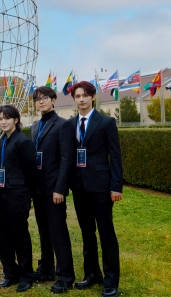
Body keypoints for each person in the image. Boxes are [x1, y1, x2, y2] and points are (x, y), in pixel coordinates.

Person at [69, 81, 123, 297]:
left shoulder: (106, 122)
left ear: (92, 97)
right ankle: (92, 274)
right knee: (87, 232)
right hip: (79, 186)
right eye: (77, 96)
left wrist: (116, 186)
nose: (81, 99)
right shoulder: (70, 124)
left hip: (101, 186)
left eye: (85, 95)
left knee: (106, 232)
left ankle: (111, 281)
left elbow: (116, 157)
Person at [30, 86, 76, 293]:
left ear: (54, 100)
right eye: (38, 99)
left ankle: (65, 275)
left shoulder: (63, 125)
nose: (41, 102)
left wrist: (60, 189)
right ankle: (46, 267)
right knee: (43, 230)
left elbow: (66, 160)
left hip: (54, 189)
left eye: (45, 98)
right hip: (38, 188)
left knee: (58, 231)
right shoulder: (34, 127)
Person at [0, 105, 36, 292]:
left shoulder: (23, 141)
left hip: (18, 194)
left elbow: (30, 171)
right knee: (3, 235)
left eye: (7, 118)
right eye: (0, 118)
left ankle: (26, 275)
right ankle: (10, 273)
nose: (3, 121)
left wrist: (28, 196)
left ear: (16, 120)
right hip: (2, 192)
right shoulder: (1, 141)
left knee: (19, 234)